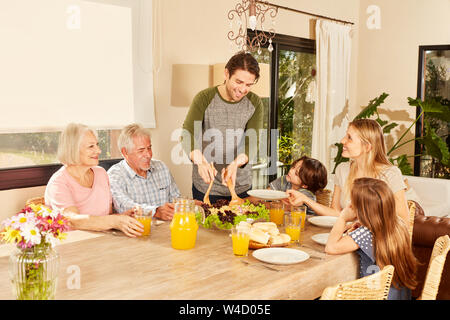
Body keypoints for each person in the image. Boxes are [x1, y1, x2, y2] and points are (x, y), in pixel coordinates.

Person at [287, 119, 409, 224]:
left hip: (377, 243)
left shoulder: (390, 174)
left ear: (367, 147)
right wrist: (304, 199)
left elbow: (403, 221)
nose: (342, 141)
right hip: (346, 236)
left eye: (349, 138)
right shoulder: (342, 169)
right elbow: (336, 213)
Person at [181, 51, 264, 204]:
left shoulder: (254, 103)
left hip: (240, 186)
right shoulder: (204, 98)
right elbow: (188, 133)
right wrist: (200, 161)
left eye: (248, 85)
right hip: (206, 186)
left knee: (243, 227)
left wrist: (235, 164)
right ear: (226, 73)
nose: (243, 89)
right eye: (238, 82)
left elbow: (252, 142)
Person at [325, 178, 418, 300]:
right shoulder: (398, 224)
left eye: (352, 202)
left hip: (376, 296)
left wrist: (342, 218)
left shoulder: (366, 233)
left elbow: (331, 247)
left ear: (362, 210)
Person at [45, 123, 144, 237]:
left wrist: (124, 217)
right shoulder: (58, 183)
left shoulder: (101, 173)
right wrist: (115, 221)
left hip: (105, 241)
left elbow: (106, 217)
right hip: (74, 247)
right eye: (91, 146)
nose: (98, 150)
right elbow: (72, 220)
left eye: (97, 145)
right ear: (73, 149)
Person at [107, 123, 181, 220]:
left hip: (167, 229)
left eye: (149, 148)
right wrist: (156, 211)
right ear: (125, 152)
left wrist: (189, 204)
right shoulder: (115, 175)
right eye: (141, 150)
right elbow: (124, 206)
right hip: (136, 232)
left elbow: (176, 198)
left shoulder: (161, 167)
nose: (148, 155)